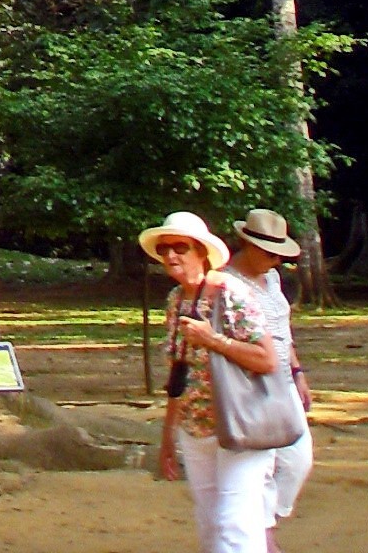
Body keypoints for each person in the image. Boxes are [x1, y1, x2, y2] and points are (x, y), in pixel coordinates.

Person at [146, 208, 284, 553]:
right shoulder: (176, 301)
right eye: (164, 249)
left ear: (201, 252)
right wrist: (167, 438)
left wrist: (214, 340)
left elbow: (267, 359)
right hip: (195, 428)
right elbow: (179, 371)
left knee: (236, 526)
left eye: (179, 247)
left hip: (240, 425)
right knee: (210, 524)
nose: (171, 255)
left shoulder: (232, 294)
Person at [225, 210, 315, 549]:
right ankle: (262, 534)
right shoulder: (227, 282)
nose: (275, 260)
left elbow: (282, 331)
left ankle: (268, 521)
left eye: (279, 254)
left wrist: (297, 371)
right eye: (268, 252)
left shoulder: (273, 279)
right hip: (250, 379)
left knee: (298, 457)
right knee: (262, 459)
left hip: (283, 377)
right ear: (246, 243)